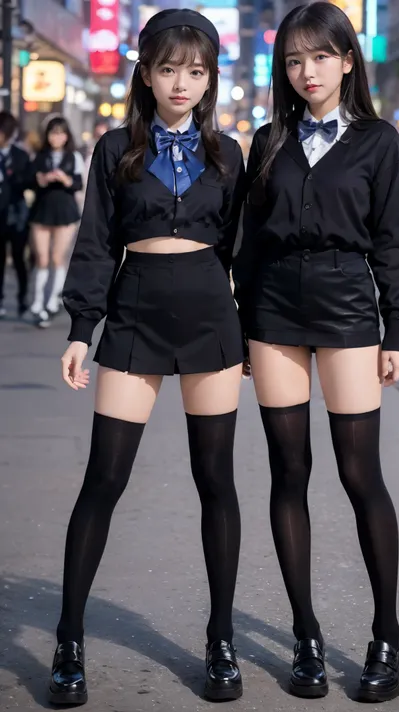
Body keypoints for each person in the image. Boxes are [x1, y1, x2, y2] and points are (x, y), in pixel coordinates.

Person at [49, 9, 245, 706]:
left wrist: (251, 329)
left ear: (211, 76)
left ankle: (220, 639)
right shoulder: (114, 148)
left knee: (216, 479)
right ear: (146, 72)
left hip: (209, 320)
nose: (182, 83)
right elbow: (96, 240)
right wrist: (82, 327)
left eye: (196, 71)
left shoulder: (229, 154)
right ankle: (68, 638)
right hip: (134, 314)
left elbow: (240, 249)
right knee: (104, 478)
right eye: (169, 69)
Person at [233, 2, 399, 703]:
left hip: (346, 306)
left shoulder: (377, 141)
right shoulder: (267, 140)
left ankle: (386, 635)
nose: (307, 71)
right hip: (274, 307)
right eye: (294, 59)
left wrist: (396, 329)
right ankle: (305, 635)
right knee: (289, 473)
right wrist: (240, 321)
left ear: (347, 60)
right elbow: (247, 241)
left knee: (359, 473)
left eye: (320, 56)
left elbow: (392, 241)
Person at [28, 116, 84, 327]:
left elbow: (78, 184)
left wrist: (64, 178)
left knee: (57, 257)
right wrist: (41, 179)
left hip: (65, 211)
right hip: (42, 210)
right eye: (53, 133)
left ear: (67, 136)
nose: (57, 137)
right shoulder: (40, 156)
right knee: (41, 258)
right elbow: (30, 179)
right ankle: (37, 301)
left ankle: (52, 301)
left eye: (61, 133)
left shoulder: (74, 157)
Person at [0, 111, 30, 318]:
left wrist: (13, 177)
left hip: (17, 213)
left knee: (19, 258)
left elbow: (28, 181)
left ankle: (22, 299)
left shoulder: (20, 155)